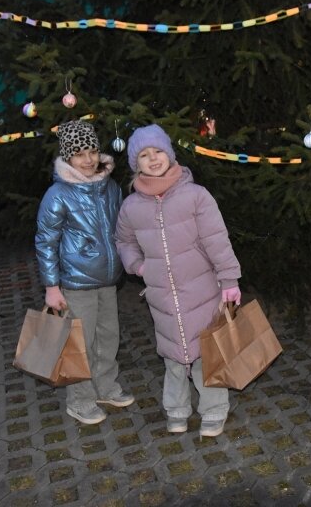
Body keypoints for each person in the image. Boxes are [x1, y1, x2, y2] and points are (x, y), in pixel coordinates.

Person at [114, 124, 241, 438]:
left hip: (201, 291)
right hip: (162, 297)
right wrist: (138, 266)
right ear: (136, 163)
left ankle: (213, 410)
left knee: (204, 354)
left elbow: (217, 240)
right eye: (144, 155)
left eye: (157, 151)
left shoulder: (196, 196)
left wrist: (229, 279)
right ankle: (176, 410)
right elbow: (123, 241)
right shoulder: (131, 206)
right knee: (172, 355)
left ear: (169, 154)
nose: (152, 159)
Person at [35, 120, 134, 425]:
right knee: (80, 342)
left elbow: (122, 229)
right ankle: (80, 399)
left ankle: (105, 386)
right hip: (76, 284)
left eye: (92, 151)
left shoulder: (110, 187)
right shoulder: (58, 195)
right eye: (79, 154)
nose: (88, 160)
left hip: (107, 280)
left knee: (108, 336)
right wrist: (52, 287)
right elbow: (46, 242)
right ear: (67, 158)